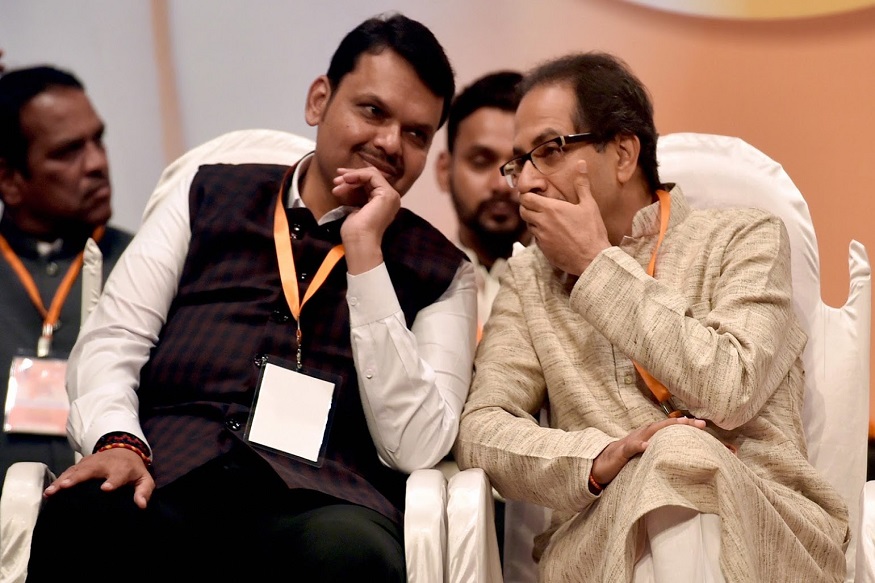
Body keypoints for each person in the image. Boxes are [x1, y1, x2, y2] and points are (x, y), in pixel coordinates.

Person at [26, 13, 476, 582]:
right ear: (319, 101)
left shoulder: (441, 271)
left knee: (352, 555)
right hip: (169, 473)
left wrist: (366, 252)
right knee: (84, 515)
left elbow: (415, 445)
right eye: (373, 111)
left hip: (323, 506)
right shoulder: (207, 194)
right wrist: (118, 440)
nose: (390, 143)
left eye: (416, 133)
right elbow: (114, 339)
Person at [453, 51, 848, 582]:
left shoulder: (745, 239)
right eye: (517, 162)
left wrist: (596, 265)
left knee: (681, 457)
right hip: (601, 544)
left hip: (765, 532)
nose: (523, 183)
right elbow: (481, 429)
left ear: (621, 153)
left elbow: (729, 388)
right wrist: (596, 457)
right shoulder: (529, 284)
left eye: (547, 151)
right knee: (676, 455)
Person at [0, 65, 133, 492]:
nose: (97, 163)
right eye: (67, 152)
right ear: (9, 180)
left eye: (99, 139)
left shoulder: (143, 264)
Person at [435, 70, 527, 328]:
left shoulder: (574, 289)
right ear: (444, 171)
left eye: (518, 164)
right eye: (480, 162)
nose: (501, 184)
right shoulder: (411, 281)